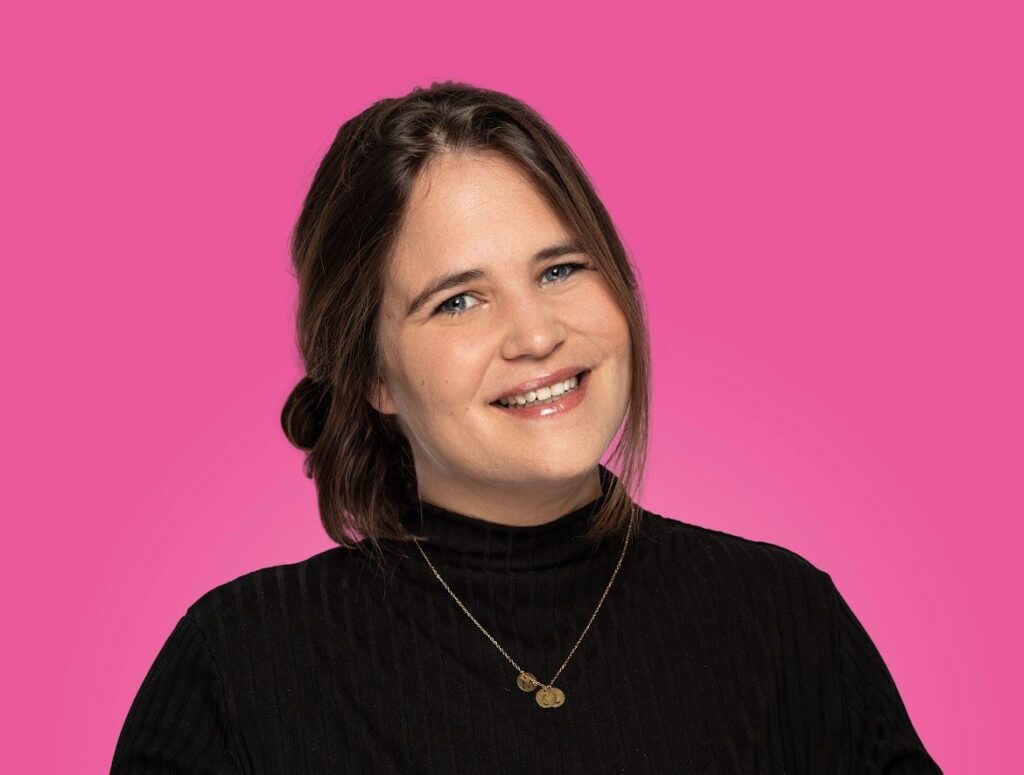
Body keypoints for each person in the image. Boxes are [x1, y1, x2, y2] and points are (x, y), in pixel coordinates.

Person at [111, 81, 942, 773]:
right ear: (372, 375)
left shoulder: (784, 618)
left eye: (561, 269)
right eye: (459, 300)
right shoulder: (240, 663)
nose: (537, 334)